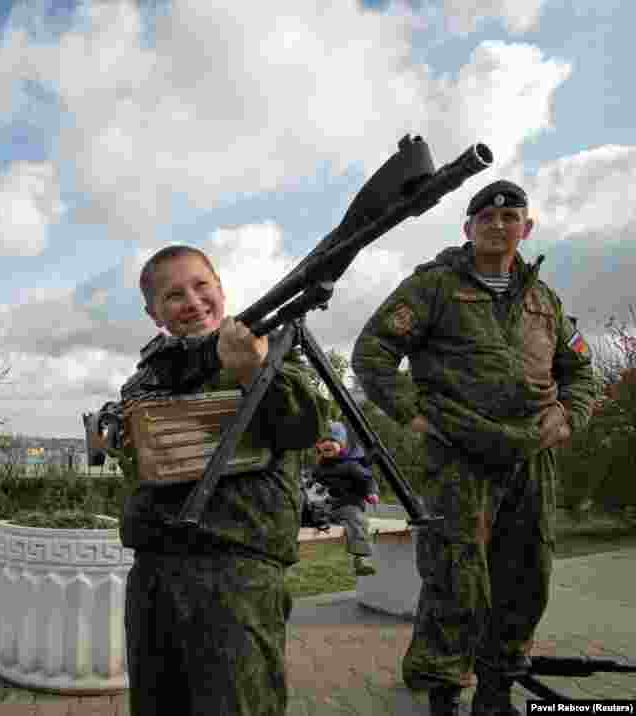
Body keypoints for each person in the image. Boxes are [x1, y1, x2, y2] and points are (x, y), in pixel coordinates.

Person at [351, 180, 597, 715]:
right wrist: (413, 414)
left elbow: (580, 371)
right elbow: (372, 352)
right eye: (485, 215)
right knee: (455, 578)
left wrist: (567, 414)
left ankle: (496, 689)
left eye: (510, 218)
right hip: (459, 457)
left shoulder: (544, 299)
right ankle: (443, 692)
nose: (498, 223)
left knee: (527, 578)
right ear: (468, 228)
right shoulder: (434, 287)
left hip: (532, 458)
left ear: (526, 229)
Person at [114, 245, 323, 716]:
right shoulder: (148, 376)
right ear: (155, 313)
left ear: (221, 290)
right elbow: (143, 467)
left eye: (200, 285)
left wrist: (252, 369)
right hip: (156, 566)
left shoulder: (267, 345)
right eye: (173, 295)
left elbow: (304, 427)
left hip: (237, 566)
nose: (191, 300)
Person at [312, 421, 381, 576]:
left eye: (332, 440)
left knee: (357, 520)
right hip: (325, 507)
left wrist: (372, 492)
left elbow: (368, 479)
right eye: (322, 441)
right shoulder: (317, 468)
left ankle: (361, 559)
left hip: (347, 506)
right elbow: (311, 486)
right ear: (318, 446)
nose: (326, 444)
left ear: (342, 445)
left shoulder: (351, 465)